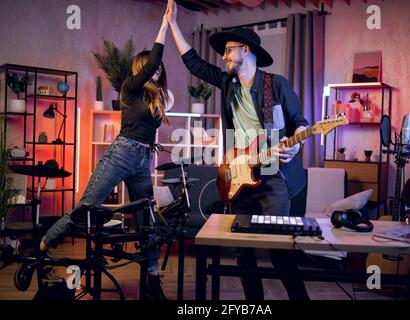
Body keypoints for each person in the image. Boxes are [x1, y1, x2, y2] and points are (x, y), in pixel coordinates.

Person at [166, 2, 310, 300]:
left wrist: (296, 147)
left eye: (228, 49)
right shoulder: (227, 81)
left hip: (273, 177)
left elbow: (301, 124)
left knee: (279, 249)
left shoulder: (276, 85)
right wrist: (172, 25)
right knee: (243, 250)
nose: (223, 55)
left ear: (245, 50)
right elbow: (193, 63)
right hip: (239, 176)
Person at [38, 1, 173, 300]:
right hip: (122, 153)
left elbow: (157, 107)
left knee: (146, 220)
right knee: (87, 207)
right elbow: (153, 63)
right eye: (152, 66)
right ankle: (46, 243)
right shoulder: (129, 88)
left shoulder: (157, 98)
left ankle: (152, 278)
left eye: (160, 68)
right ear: (141, 69)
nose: (157, 70)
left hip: (142, 159)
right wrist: (165, 24)